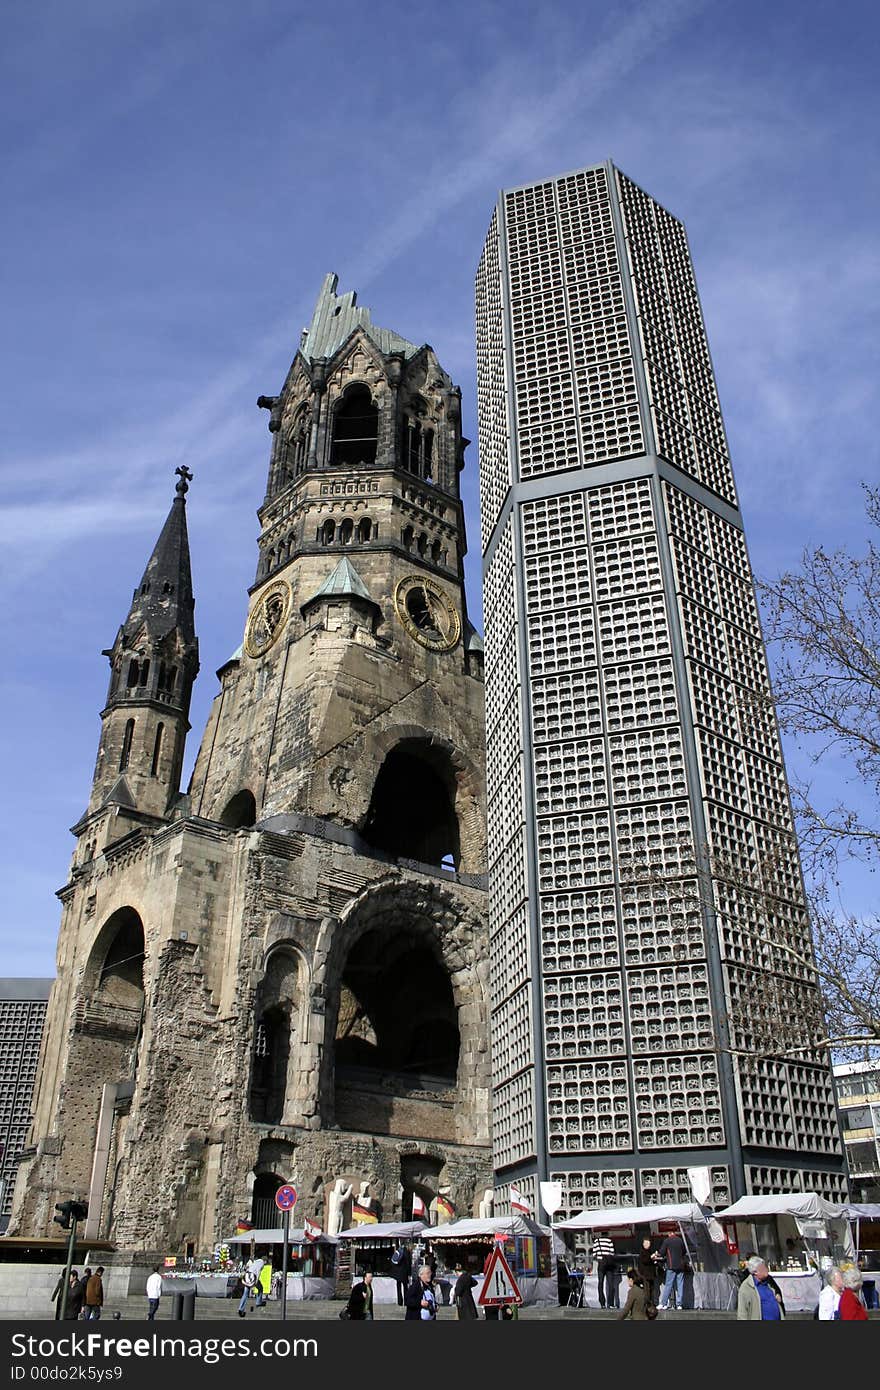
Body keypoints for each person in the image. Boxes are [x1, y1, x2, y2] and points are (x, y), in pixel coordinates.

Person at [656, 1232, 688, 1311]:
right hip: (680, 1266)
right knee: (680, 1285)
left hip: (671, 1266)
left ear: (669, 1234)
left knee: (668, 1285)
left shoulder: (667, 1241)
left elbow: (662, 1253)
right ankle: (679, 1304)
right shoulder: (680, 1240)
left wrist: (657, 1254)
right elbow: (684, 1251)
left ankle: (663, 1303)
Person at [592, 1230, 618, 1309]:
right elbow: (612, 1253)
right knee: (610, 1284)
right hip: (609, 1265)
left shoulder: (597, 1241)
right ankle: (610, 1303)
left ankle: (602, 1303)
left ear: (601, 1233)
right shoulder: (609, 1241)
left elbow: (594, 1254)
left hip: (601, 1264)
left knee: (600, 1283)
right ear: (607, 1234)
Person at [637, 1237, 658, 1303]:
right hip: (645, 1274)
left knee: (651, 1289)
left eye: (648, 1243)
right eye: (646, 1243)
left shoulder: (650, 1251)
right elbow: (645, 1260)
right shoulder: (642, 1251)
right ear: (643, 1244)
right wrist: (651, 1257)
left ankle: (651, 1302)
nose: (647, 1245)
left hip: (650, 1274)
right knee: (646, 1290)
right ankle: (647, 1303)